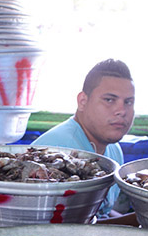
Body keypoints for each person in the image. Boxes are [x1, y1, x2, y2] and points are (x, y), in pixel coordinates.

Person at [33, 59, 135, 220]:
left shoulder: (114, 149)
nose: (121, 111)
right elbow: (56, 231)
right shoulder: (56, 150)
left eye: (128, 102)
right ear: (82, 101)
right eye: (109, 100)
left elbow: (102, 214)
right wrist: (138, 220)